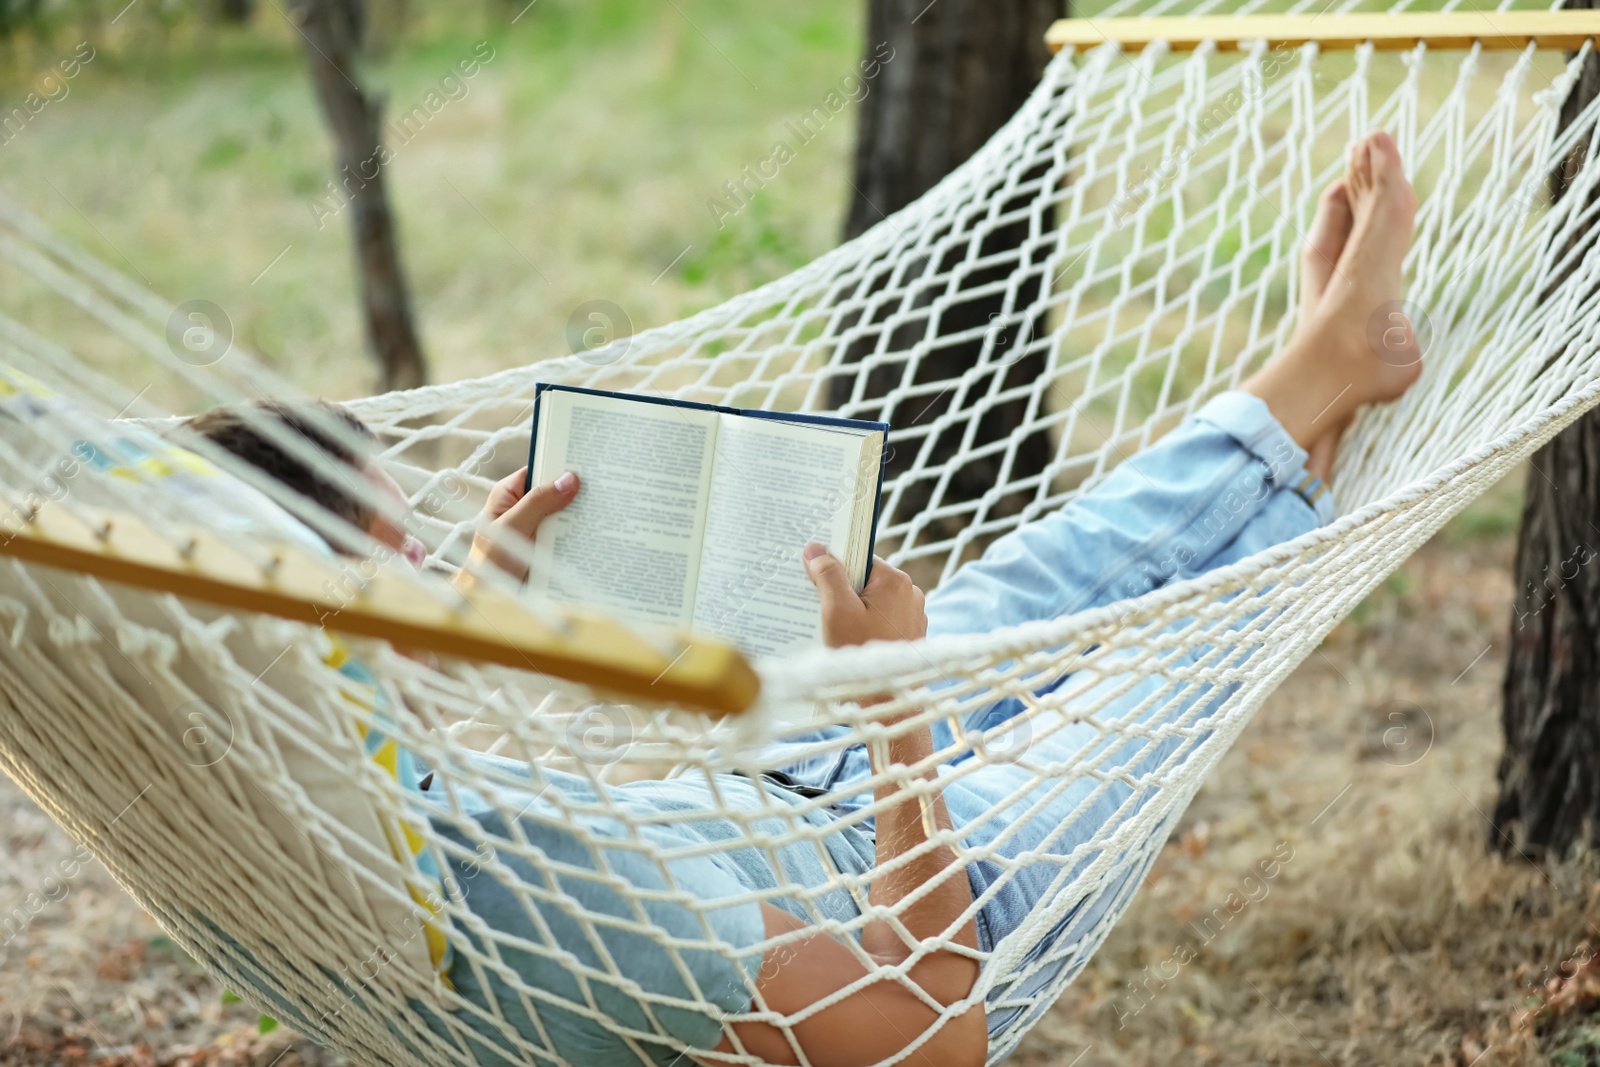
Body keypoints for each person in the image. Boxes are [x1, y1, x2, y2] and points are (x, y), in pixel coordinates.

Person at [191, 132, 1420, 1067]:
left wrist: (453, 622)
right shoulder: (561, 910)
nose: (435, 569)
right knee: (1156, 648)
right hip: (936, 880)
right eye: (400, 558)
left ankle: (1313, 381)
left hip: (777, 785)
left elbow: (336, 688)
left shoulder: (264, 785)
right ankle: (1323, 382)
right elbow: (935, 1031)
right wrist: (894, 707)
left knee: (1049, 571)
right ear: (321, 626)